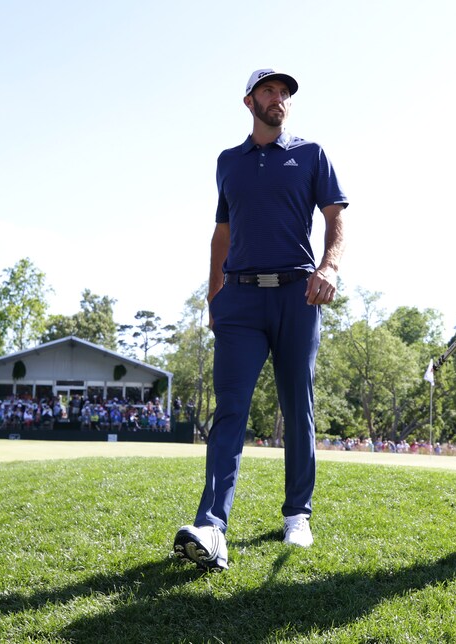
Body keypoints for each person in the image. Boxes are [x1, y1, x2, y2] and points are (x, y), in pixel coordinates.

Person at [174, 68, 348, 572]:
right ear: (249, 100)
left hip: (297, 295)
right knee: (230, 411)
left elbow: (337, 217)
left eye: (285, 93)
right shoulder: (228, 162)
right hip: (240, 301)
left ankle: (298, 513)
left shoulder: (311, 154)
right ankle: (211, 526)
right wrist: (214, 296)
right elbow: (220, 235)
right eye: (269, 91)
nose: (279, 99)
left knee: (299, 406)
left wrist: (330, 265)